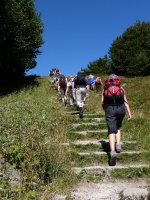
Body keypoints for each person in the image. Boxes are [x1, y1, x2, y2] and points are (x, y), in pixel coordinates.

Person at [101, 74, 132, 166]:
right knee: (118, 126)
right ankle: (118, 145)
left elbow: (102, 102)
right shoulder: (121, 88)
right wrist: (129, 113)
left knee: (111, 130)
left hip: (110, 109)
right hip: (121, 109)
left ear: (109, 80)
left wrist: (106, 109)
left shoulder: (105, 89)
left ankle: (112, 152)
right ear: (117, 80)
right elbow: (126, 102)